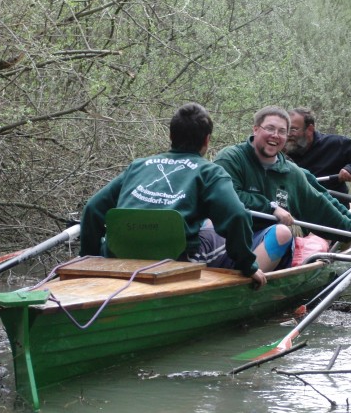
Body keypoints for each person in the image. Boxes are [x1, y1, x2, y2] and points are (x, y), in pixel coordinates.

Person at [79, 102, 266, 287]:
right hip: (175, 259)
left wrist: (91, 260)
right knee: (214, 233)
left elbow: (93, 208)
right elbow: (237, 216)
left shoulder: (138, 166)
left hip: (118, 254)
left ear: (171, 135)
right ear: (207, 140)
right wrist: (248, 265)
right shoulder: (210, 172)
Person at [214, 105, 351, 271]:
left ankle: (250, 281)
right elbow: (225, 197)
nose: (275, 135)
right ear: (255, 129)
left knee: (282, 232)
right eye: (270, 128)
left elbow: (319, 205)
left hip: (269, 240)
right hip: (228, 236)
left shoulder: (293, 173)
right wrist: (271, 208)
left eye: (282, 131)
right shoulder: (231, 158)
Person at [285, 107, 351, 198]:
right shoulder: (279, 149)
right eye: (284, 130)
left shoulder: (334, 144)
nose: (287, 134)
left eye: (293, 129)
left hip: (333, 207)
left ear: (309, 129)